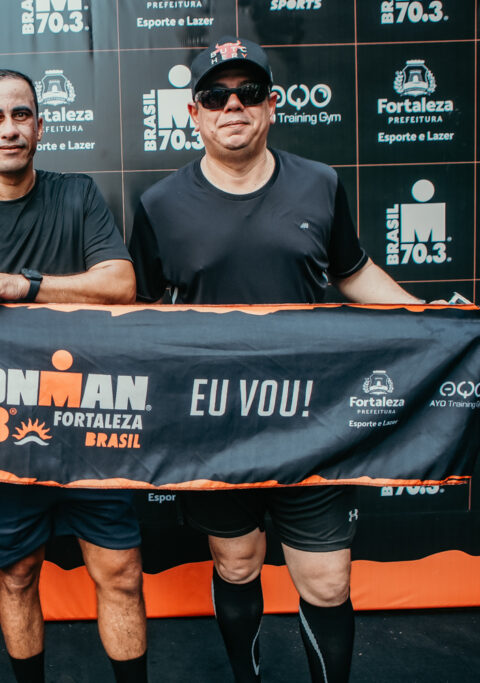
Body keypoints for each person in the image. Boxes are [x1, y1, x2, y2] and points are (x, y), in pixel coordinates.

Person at [129, 36, 425, 683]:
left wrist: (441, 329)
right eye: (216, 94)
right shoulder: (158, 206)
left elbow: (354, 273)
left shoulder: (320, 185)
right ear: (195, 112)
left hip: (316, 424)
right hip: (216, 430)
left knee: (326, 578)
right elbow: (139, 314)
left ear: (272, 105)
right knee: (236, 564)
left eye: (248, 93)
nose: (232, 105)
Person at [0, 69, 147, 683]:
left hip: (94, 420)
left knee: (119, 573)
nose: (9, 129)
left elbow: (121, 285)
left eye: (21, 115)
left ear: (40, 125)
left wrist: (26, 287)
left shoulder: (78, 195)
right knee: (16, 577)